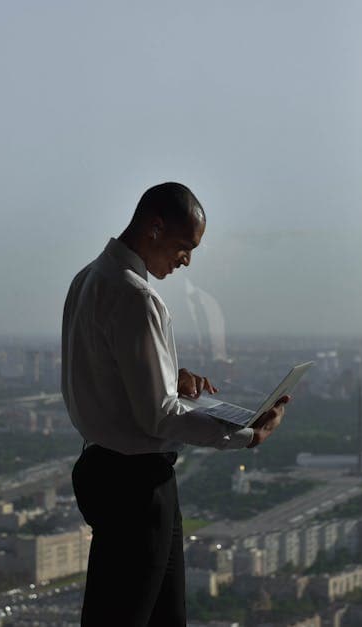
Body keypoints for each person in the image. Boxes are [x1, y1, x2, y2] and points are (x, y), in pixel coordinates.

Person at [61, 182, 290, 626]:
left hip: (102, 469)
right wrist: (246, 435)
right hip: (136, 487)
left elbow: (100, 376)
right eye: (184, 247)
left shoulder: (87, 279)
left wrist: (169, 378)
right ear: (154, 227)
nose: (186, 260)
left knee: (157, 616)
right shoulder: (136, 297)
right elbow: (158, 416)